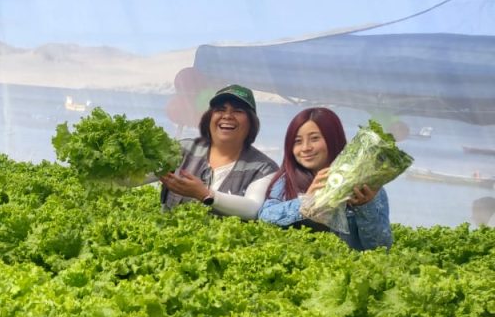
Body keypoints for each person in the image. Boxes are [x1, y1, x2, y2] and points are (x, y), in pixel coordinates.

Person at [257, 107, 393, 250]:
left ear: (333, 139)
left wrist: (366, 207)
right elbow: (265, 217)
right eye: (297, 141)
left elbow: (381, 247)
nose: (305, 148)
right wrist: (306, 203)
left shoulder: (365, 185)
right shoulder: (287, 180)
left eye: (314, 138)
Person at [158, 84, 280, 218]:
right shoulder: (183, 149)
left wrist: (205, 194)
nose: (227, 116)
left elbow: (253, 208)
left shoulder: (264, 168)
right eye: (220, 110)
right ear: (209, 118)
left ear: (251, 122)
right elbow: (136, 177)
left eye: (238, 110)